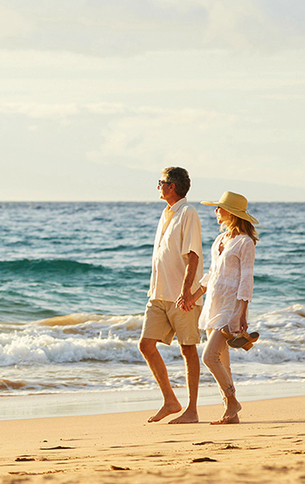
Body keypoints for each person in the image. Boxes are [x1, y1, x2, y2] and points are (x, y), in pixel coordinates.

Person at [138, 167, 204, 424]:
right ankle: (170, 400)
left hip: (181, 296)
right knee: (146, 345)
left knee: (188, 349)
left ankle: (192, 410)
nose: (158, 187)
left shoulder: (188, 213)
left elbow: (193, 255)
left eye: (161, 183)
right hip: (158, 294)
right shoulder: (166, 214)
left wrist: (187, 292)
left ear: (171, 186)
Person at [197, 191, 259, 425]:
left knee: (209, 357)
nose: (216, 211)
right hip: (214, 302)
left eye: (219, 208)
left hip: (231, 307)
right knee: (223, 362)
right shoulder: (220, 239)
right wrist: (194, 296)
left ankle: (232, 401)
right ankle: (230, 413)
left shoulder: (245, 242)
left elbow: (246, 279)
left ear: (231, 213)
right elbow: (213, 273)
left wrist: (242, 313)